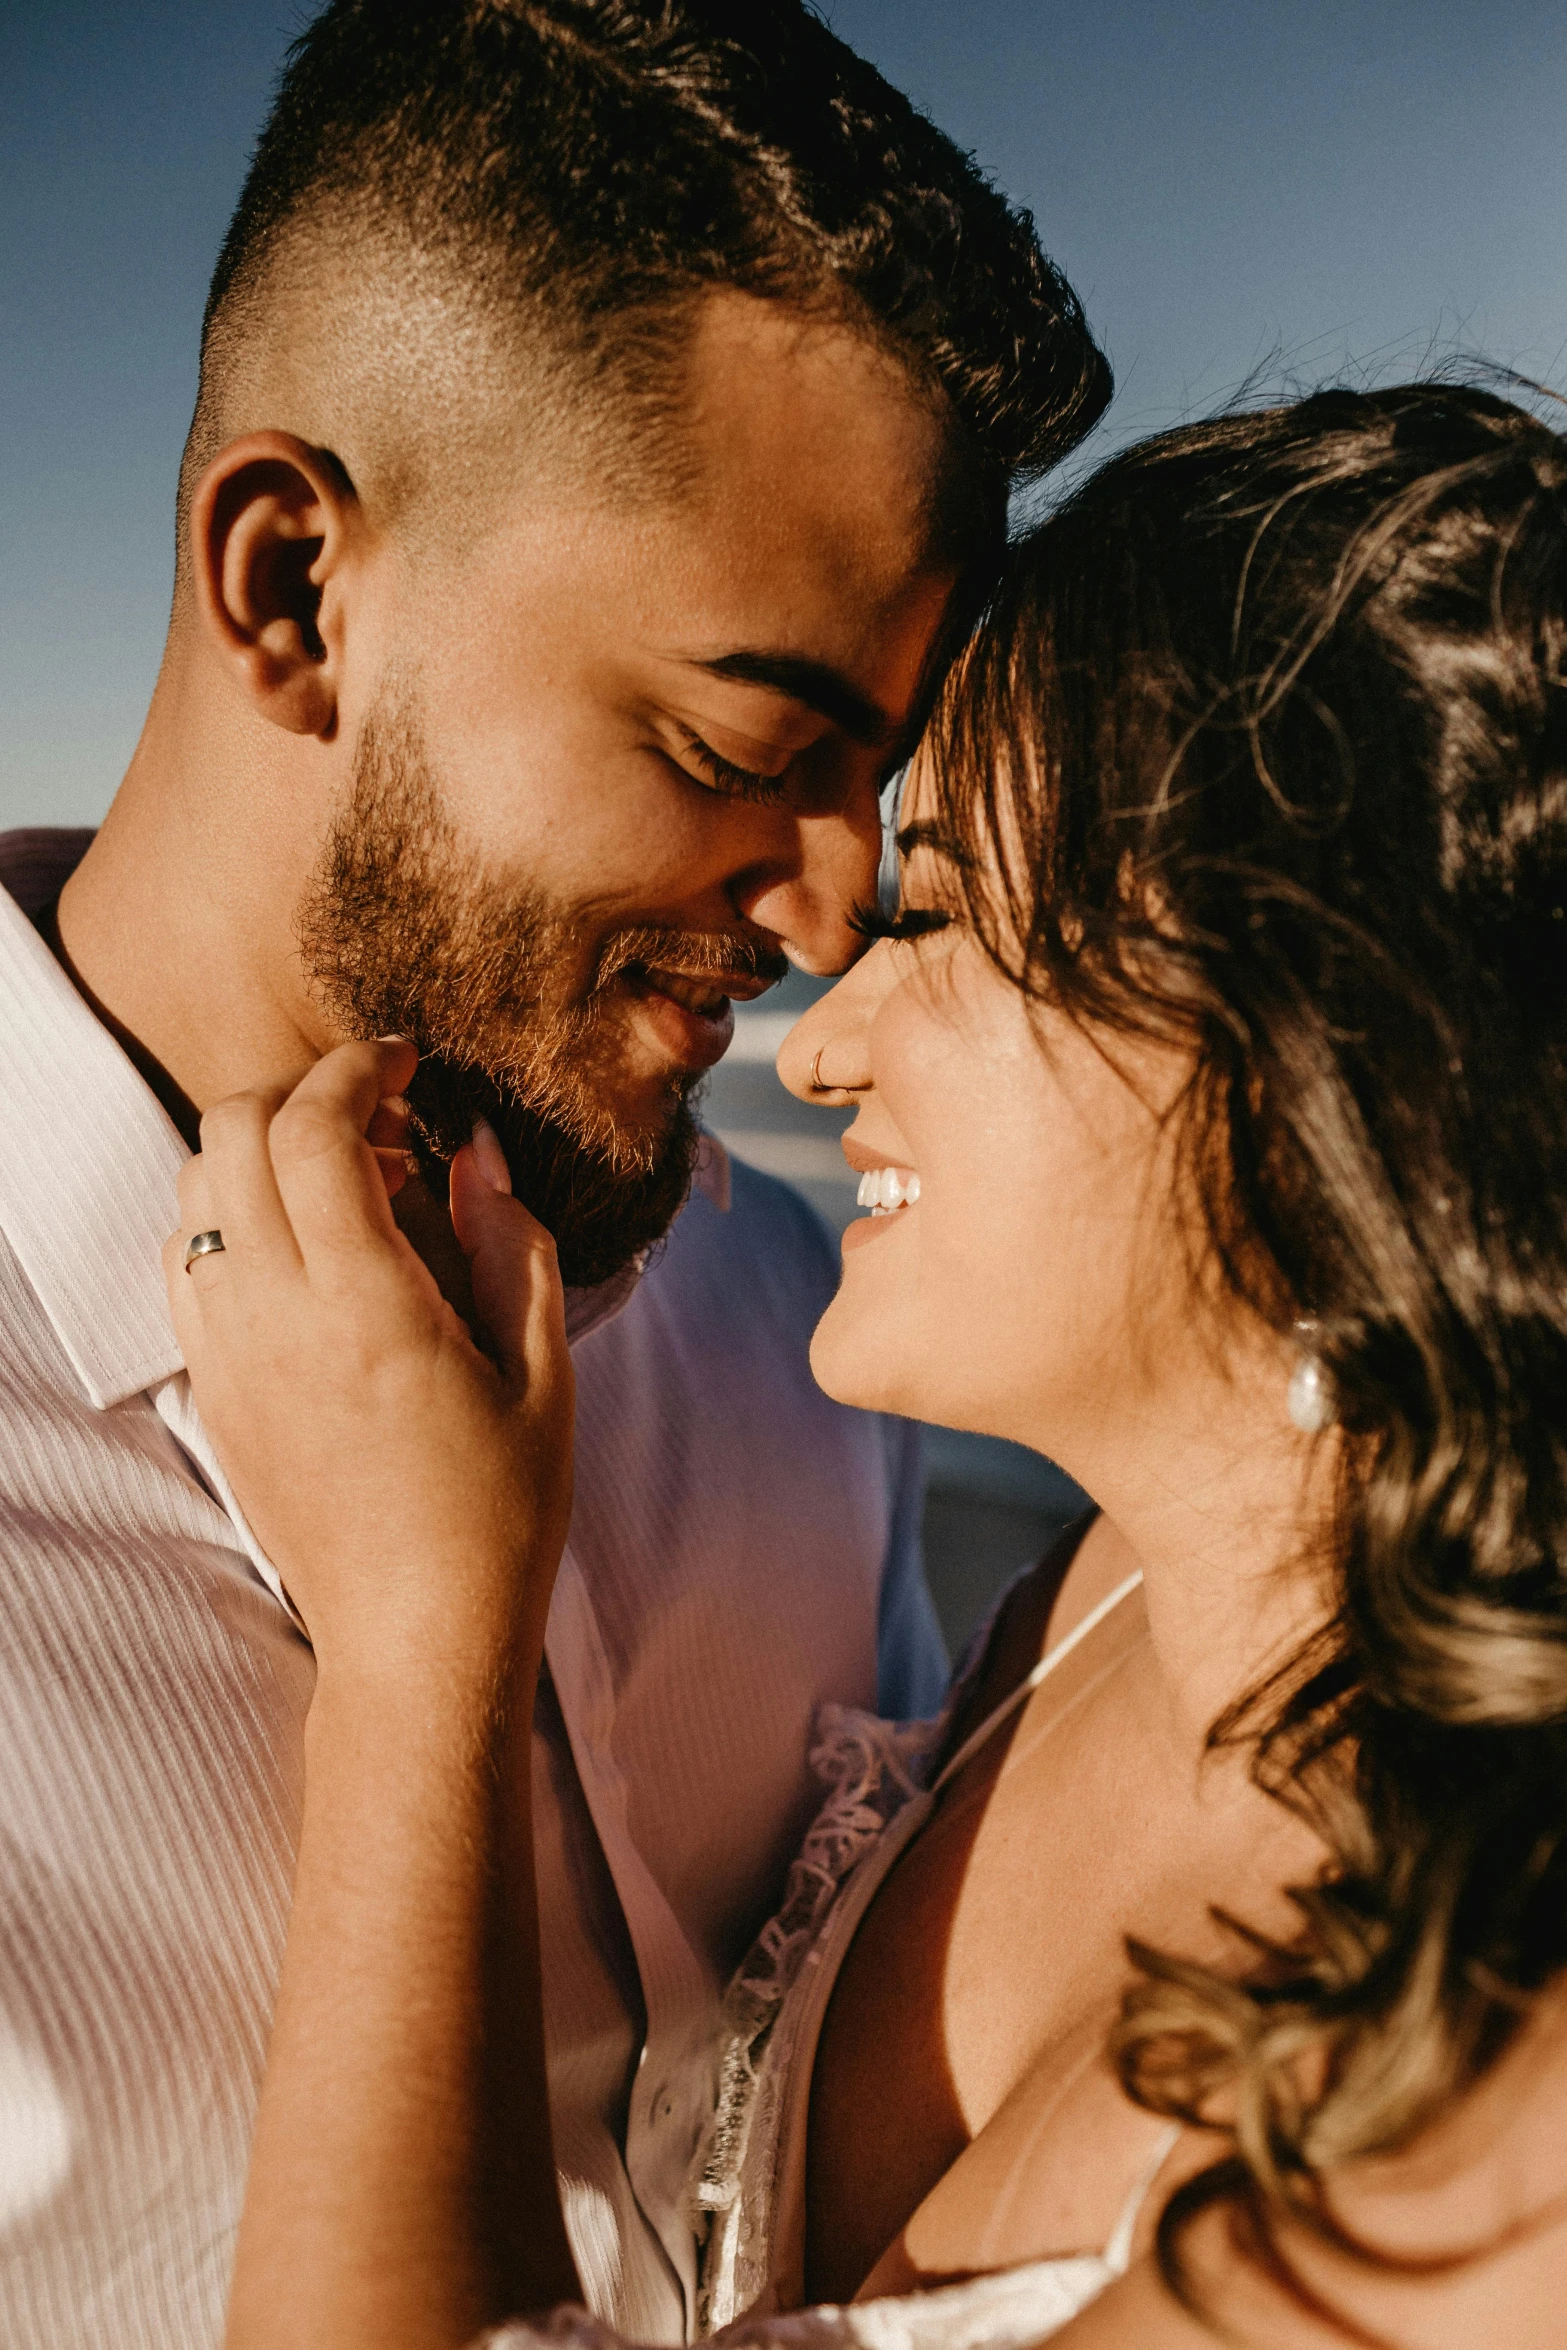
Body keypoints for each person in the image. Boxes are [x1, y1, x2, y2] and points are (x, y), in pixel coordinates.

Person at [177, 377, 1567, 2350]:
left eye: (945, 919)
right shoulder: (1097, 1595)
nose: (817, 1044)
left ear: (1325, 1059)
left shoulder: (1519, 2095)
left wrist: (420, 1640)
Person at [0, 6, 1112, 2345]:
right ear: (294, 585)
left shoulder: (786, 1312)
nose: (831, 912)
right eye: (739, 741)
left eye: (877, 778)